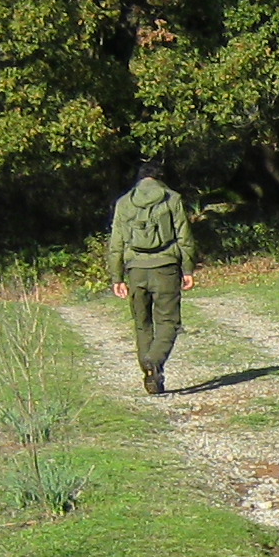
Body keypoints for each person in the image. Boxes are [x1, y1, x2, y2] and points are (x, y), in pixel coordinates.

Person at [107, 157, 196, 394]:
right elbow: (183, 237)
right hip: (166, 267)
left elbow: (116, 243)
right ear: (160, 178)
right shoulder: (172, 199)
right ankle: (154, 361)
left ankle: (148, 369)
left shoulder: (124, 203)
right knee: (169, 321)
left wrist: (117, 277)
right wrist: (187, 269)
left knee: (142, 323)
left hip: (136, 270)